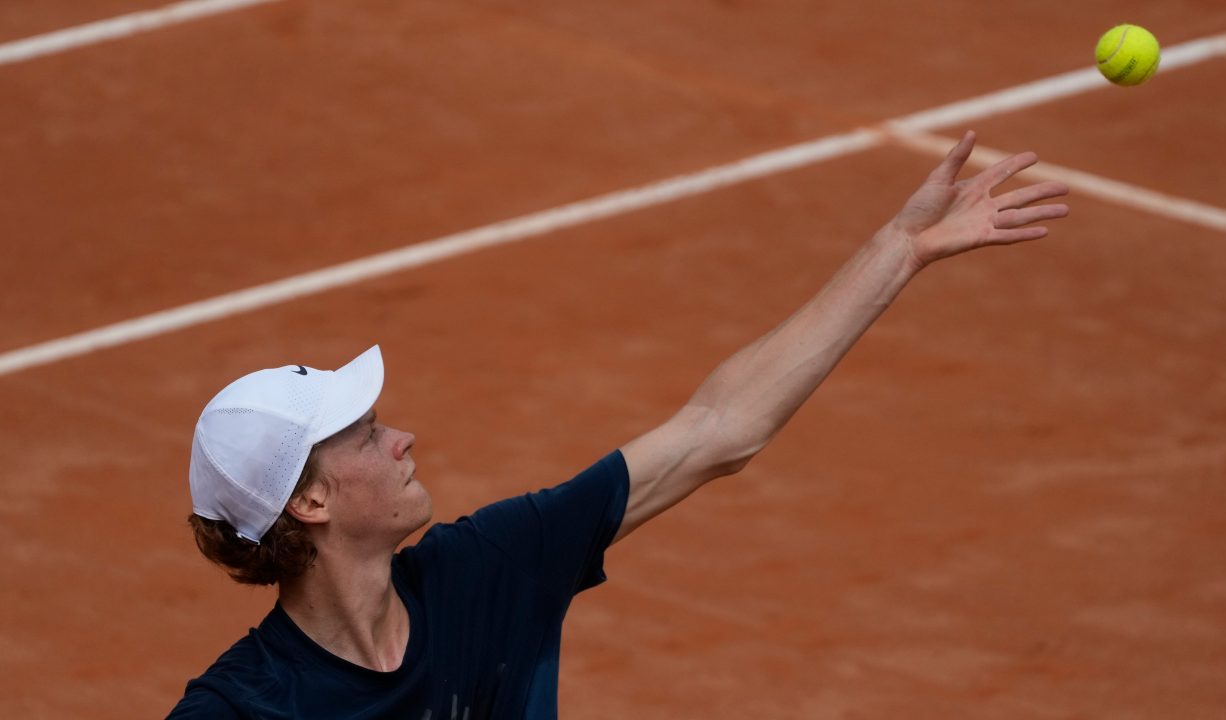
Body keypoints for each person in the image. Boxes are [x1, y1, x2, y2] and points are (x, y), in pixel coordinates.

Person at [168, 131, 1068, 719]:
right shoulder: (242, 709)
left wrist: (898, 251)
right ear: (311, 502)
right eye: (365, 435)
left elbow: (719, 428)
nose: (401, 438)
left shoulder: (488, 570)